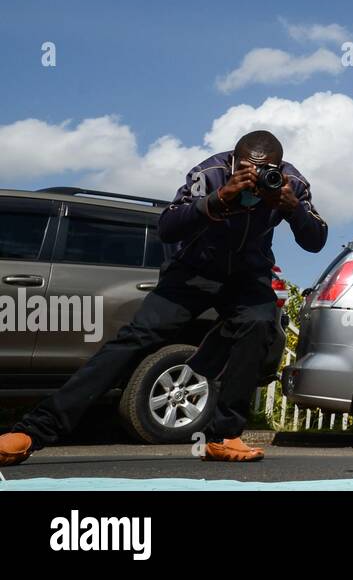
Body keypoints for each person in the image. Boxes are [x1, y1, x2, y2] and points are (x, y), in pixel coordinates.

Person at [0, 130, 328, 466]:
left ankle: (222, 436)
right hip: (193, 270)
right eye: (247, 169)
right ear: (234, 160)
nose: (257, 178)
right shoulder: (209, 174)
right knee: (135, 339)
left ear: (278, 166)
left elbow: (316, 240)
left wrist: (291, 208)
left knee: (259, 324)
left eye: (265, 170)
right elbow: (168, 228)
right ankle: (32, 432)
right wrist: (218, 199)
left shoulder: (291, 183)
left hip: (247, 273)